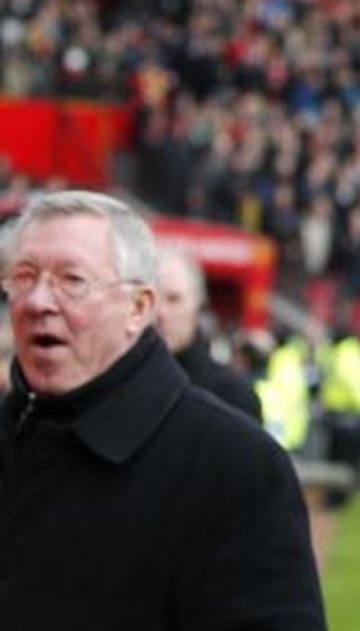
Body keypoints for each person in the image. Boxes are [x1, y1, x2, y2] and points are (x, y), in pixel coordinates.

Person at [0, 190, 326, 630]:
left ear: (138, 308)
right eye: (24, 277)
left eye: (71, 280)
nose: (38, 301)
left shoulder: (236, 466)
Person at [154, 246, 263, 421]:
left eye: (174, 299)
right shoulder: (119, 382)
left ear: (198, 305)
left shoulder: (231, 395)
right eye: (152, 298)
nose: (160, 312)